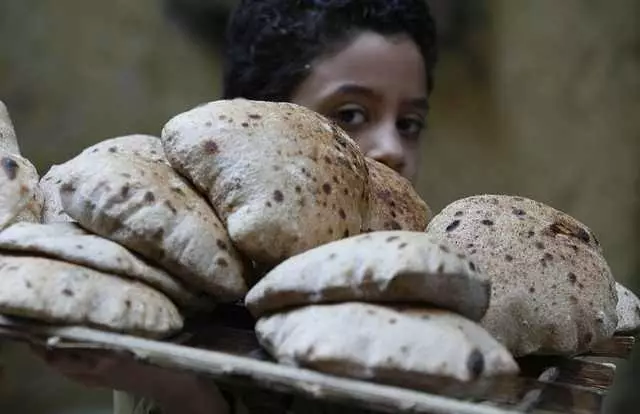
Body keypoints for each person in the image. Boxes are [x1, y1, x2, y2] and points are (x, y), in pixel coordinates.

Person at [36, 1, 438, 413]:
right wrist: (180, 391)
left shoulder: (428, 297)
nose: (392, 148)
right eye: (350, 114)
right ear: (259, 123)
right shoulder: (185, 282)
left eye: (409, 124)